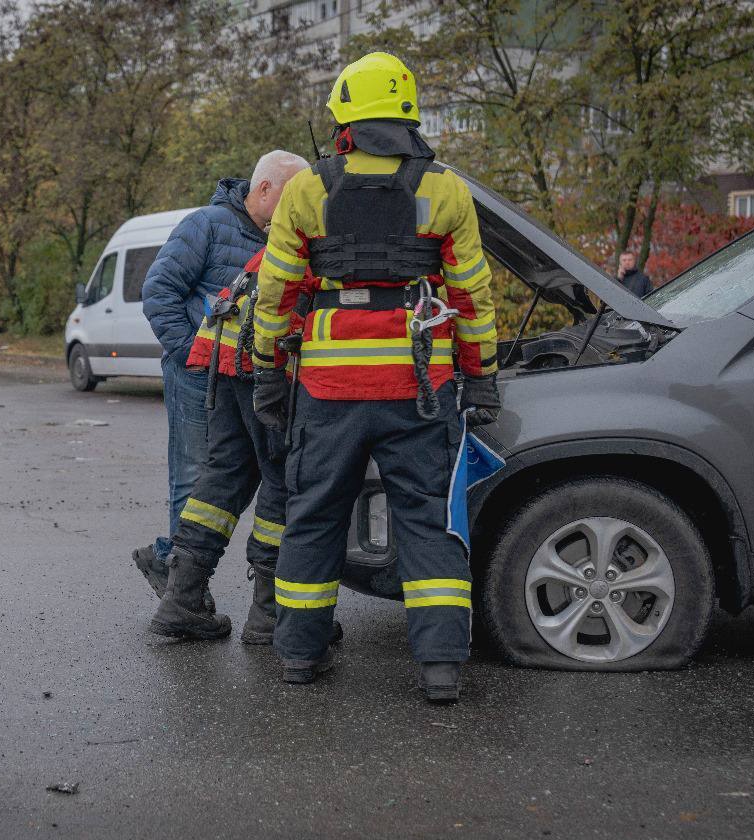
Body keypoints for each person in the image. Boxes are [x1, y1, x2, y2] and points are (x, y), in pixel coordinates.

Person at [250, 53, 501, 702]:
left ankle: (300, 656)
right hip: (419, 392)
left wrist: (267, 373)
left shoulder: (307, 188)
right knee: (428, 522)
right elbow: (471, 293)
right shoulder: (444, 188)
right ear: (408, 114)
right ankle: (442, 667)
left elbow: (276, 290)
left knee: (313, 517)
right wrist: (481, 378)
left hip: (329, 395)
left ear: (345, 117)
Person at [134, 151, 308, 592]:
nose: (297, 207)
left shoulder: (281, 237)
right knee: (195, 476)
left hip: (245, 380)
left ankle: (171, 568)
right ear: (264, 188)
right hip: (197, 376)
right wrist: (192, 351)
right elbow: (158, 291)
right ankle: (182, 588)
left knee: (231, 477)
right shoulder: (206, 225)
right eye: (291, 195)